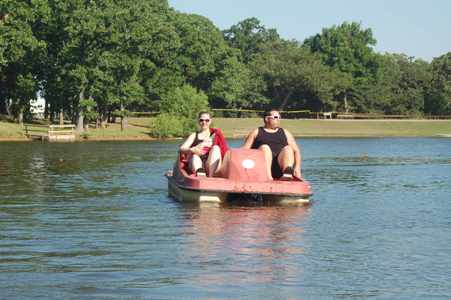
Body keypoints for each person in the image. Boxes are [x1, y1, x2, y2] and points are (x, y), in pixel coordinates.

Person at [242, 109, 302, 180]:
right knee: (265, 148)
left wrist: (297, 168)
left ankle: (287, 174)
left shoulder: (285, 133)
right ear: (267, 119)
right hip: (262, 168)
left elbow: (296, 151)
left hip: (279, 166)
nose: (279, 119)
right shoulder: (256, 132)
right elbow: (244, 150)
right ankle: (268, 177)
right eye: (276, 117)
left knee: (288, 148)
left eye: (279, 117)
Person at [180, 111, 228, 177]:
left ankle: (210, 177)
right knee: (195, 156)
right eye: (201, 120)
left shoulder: (216, 134)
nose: (204, 122)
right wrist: (192, 150)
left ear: (210, 121)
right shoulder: (194, 135)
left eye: (207, 120)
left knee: (216, 148)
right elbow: (182, 148)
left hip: (210, 163)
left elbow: (224, 150)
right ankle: (200, 173)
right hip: (197, 162)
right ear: (198, 121)